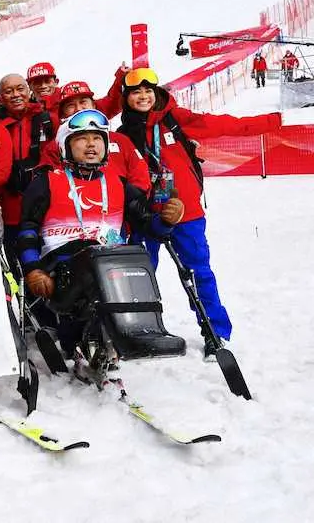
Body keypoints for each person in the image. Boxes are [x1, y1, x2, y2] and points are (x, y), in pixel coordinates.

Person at [117, 67, 282, 354]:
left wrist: (271, 122)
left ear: (156, 93)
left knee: (198, 272)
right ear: (126, 98)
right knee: (139, 276)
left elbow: (223, 125)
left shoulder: (176, 120)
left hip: (186, 215)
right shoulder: (122, 135)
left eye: (147, 90)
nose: (142, 96)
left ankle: (215, 332)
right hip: (143, 216)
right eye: (135, 92)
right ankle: (140, 330)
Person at [16, 109, 185, 354]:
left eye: (97, 139)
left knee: (134, 257)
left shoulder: (118, 183)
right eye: (82, 139)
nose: (91, 145)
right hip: (63, 269)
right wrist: (33, 270)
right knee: (94, 261)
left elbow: (149, 225)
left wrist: (167, 220)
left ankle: (144, 329)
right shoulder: (46, 182)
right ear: (66, 145)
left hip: (109, 262)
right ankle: (87, 341)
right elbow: (27, 231)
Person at [0, 74, 54, 265]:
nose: (15, 95)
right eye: (8, 91)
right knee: (12, 259)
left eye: (20, 89)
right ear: (0, 98)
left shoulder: (47, 120)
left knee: (44, 259)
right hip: (9, 208)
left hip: (44, 207)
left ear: (29, 91)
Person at [39, 81, 150, 192]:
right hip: (77, 205)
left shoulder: (121, 140)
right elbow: (48, 185)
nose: (79, 108)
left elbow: (140, 174)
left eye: (83, 102)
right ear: (62, 114)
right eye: (71, 105)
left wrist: (133, 198)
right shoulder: (54, 147)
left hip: (120, 206)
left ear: (94, 105)